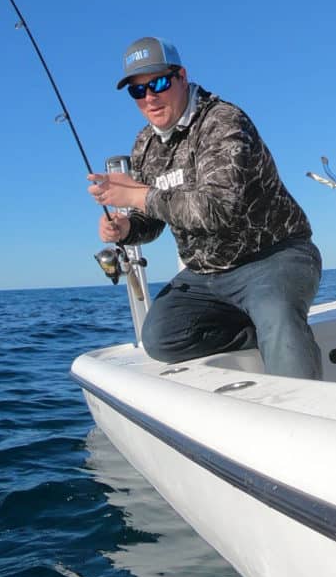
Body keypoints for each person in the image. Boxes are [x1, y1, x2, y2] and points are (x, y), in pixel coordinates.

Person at [88, 36, 323, 379]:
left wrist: (138, 196)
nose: (150, 97)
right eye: (138, 91)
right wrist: (126, 227)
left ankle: (304, 414)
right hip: (207, 274)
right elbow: (152, 219)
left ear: (181, 76)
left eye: (159, 83)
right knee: (160, 337)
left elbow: (217, 208)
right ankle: (261, 332)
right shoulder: (144, 145)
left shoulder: (223, 121)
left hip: (274, 256)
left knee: (278, 315)